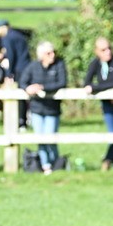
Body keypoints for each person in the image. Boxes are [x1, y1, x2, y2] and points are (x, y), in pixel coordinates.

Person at [82, 37, 113, 171]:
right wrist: (95, 87)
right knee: (112, 135)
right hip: (107, 104)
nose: (108, 52)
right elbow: (86, 82)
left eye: (109, 48)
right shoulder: (95, 63)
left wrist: (96, 87)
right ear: (97, 51)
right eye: (103, 50)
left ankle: (107, 159)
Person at [19, 42, 67, 175]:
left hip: (52, 109)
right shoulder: (33, 66)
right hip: (36, 108)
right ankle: (46, 165)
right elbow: (23, 81)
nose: (52, 55)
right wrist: (28, 88)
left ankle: (55, 162)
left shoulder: (59, 65)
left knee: (50, 137)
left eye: (53, 52)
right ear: (41, 55)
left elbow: (62, 83)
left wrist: (42, 87)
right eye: (48, 53)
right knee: (40, 138)